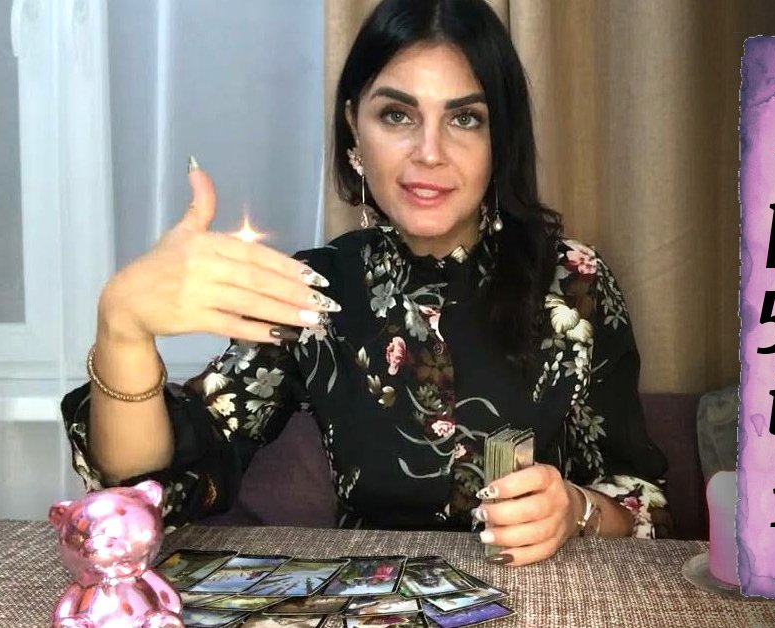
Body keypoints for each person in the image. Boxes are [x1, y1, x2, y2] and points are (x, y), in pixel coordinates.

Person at [61, 0, 671, 567]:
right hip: (374, 605)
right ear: (354, 126)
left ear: (500, 138)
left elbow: (645, 501)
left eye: (465, 118)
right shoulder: (313, 290)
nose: (429, 152)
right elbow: (155, 488)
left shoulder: (575, 281)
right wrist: (122, 330)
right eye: (397, 115)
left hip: (549, 598)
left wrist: (577, 510)